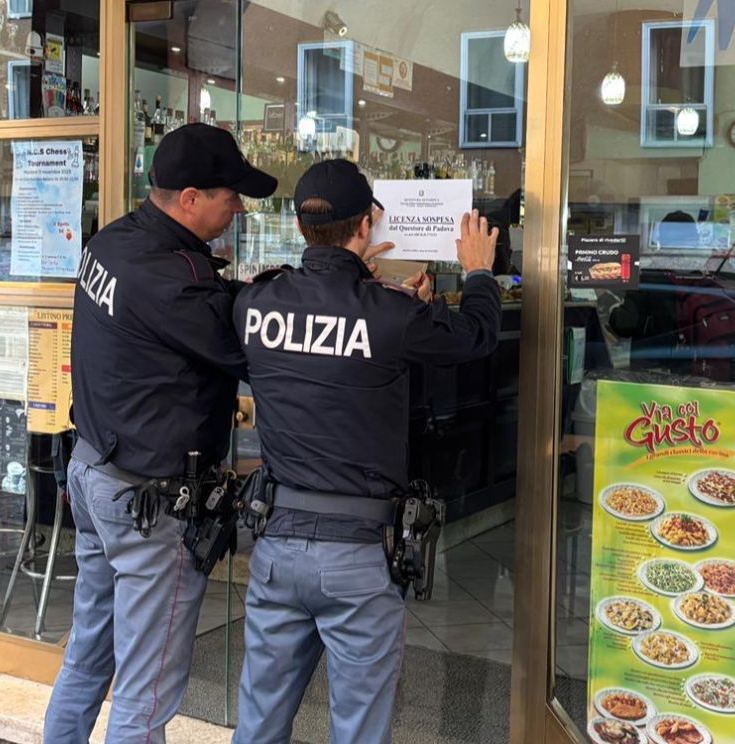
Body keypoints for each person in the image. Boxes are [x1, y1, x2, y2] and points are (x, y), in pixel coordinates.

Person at [231, 159, 502, 744]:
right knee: (358, 731)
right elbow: (476, 338)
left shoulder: (254, 304)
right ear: (368, 224)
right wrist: (478, 272)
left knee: (257, 726)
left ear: (302, 228)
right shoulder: (390, 315)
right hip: (357, 557)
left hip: (276, 547)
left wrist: (382, 296)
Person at [43, 123, 277, 743]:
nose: (239, 206)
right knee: (146, 695)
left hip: (94, 472)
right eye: (231, 195)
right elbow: (252, 353)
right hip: (148, 503)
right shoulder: (176, 280)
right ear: (192, 197)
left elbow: (190, 306)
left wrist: (240, 290)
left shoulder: (114, 241)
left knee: (89, 657)